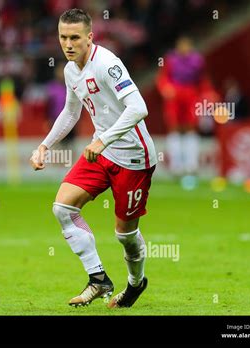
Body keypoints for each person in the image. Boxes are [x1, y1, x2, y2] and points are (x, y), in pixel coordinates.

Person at [30, 9, 157, 308]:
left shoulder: (108, 64)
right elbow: (71, 112)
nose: (68, 44)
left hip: (133, 158)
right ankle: (98, 279)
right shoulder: (70, 70)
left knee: (125, 236)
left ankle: (136, 284)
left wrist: (103, 139)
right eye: (63, 37)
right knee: (62, 208)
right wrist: (45, 145)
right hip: (101, 153)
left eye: (75, 37)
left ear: (90, 37)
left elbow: (138, 108)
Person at [156, 35, 217, 186]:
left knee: (190, 128)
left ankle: (191, 165)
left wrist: (208, 93)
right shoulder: (170, 60)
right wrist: (165, 89)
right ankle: (177, 166)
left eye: (187, 45)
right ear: (178, 47)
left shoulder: (197, 60)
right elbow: (162, 78)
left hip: (191, 95)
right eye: (182, 46)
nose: (185, 48)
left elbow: (202, 79)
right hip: (175, 96)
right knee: (175, 129)